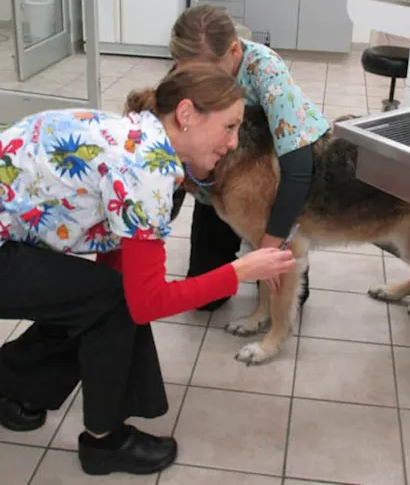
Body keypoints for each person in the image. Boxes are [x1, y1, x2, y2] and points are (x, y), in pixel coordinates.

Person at [0, 63, 295, 476]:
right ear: (187, 115)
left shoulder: (138, 134)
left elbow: (118, 275)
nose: (233, 143)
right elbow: (145, 304)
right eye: (228, 127)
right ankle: (104, 442)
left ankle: (12, 386)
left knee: (97, 296)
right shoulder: (147, 167)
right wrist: (240, 271)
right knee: (108, 299)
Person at [170, 4, 331, 311]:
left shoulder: (266, 70)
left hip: (271, 180)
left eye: (207, 72)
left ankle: (262, 237)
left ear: (233, 51)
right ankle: (241, 237)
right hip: (217, 186)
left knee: (290, 294)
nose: (197, 81)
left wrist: (273, 239)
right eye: (187, 71)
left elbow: (298, 168)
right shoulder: (185, 71)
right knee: (205, 300)